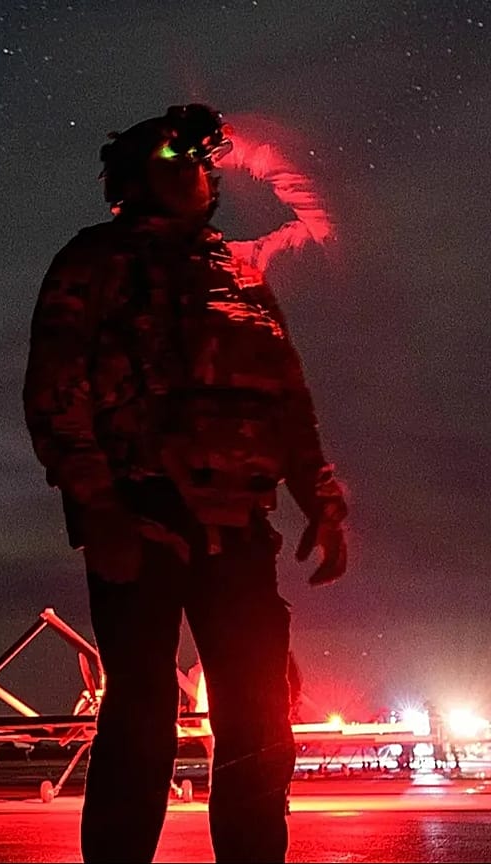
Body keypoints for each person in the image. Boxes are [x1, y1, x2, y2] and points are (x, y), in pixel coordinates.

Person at [23, 104, 350, 863]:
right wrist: (98, 505)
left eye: (201, 160)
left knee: (261, 721)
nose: (196, 170)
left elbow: (287, 395)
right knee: (141, 715)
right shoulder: (94, 261)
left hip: (239, 527)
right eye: (173, 158)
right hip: (139, 517)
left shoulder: (238, 272)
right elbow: (54, 389)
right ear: (133, 179)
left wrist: (322, 497)